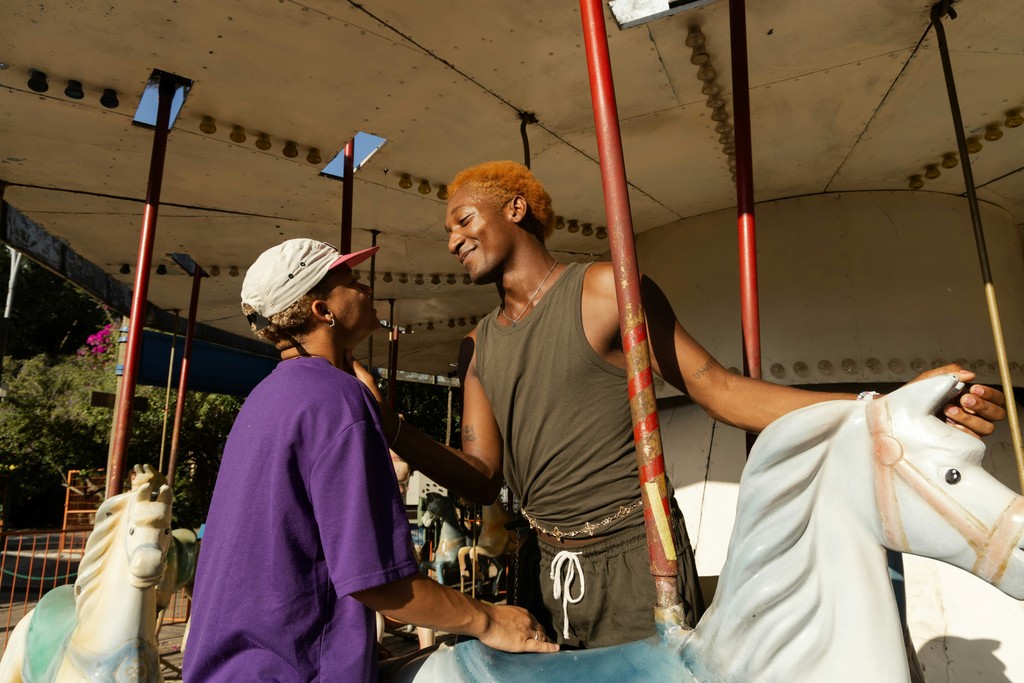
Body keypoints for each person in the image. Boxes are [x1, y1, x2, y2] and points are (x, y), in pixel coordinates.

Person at [364, 161, 1008, 651]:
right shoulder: (478, 346)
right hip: (543, 564)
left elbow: (719, 390)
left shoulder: (603, 292)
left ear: (516, 208)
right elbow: (480, 476)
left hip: (636, 554)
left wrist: (880, 408)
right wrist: (392, 426)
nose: (453, 240)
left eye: (463, 221)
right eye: (449, 230)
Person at [182, 238, 556, 683]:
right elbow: (377, 580)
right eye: (351, 280)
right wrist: (491, 619)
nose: (365, 287)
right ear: (324, 310)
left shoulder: (267, 398)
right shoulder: (335, 399)